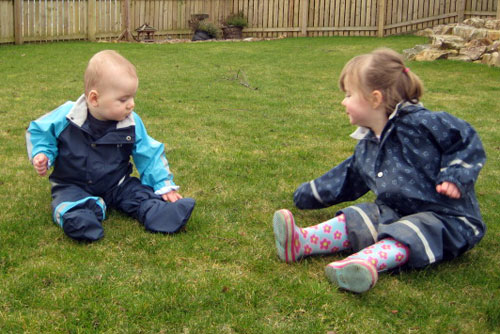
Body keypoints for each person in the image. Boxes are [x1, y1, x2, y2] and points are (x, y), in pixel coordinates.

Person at [272, 48, 486, 293]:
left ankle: (363, 263)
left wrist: (455, 176)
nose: (343, 101)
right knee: (361, 215)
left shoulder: (423, 123)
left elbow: (465, 139)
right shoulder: (367, 146)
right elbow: (346, 177)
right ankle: (303, 241)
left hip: (447, 220)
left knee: (411, 231)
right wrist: (306, 194)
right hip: (396, 211)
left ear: (375, 99)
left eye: (350, 94)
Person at [26, 50, 195, 242]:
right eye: (123, 99)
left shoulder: (130, 122)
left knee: (140, 195)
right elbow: (40, 131)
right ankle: (82, 219)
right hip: (73, 184)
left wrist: (163, 186)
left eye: (132, 97)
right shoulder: (67, 116)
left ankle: (160, 213)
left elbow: (149, 153)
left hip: (118, 183)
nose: (131, 105)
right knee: (68, 203)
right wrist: (43, 153)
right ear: (95, 98)